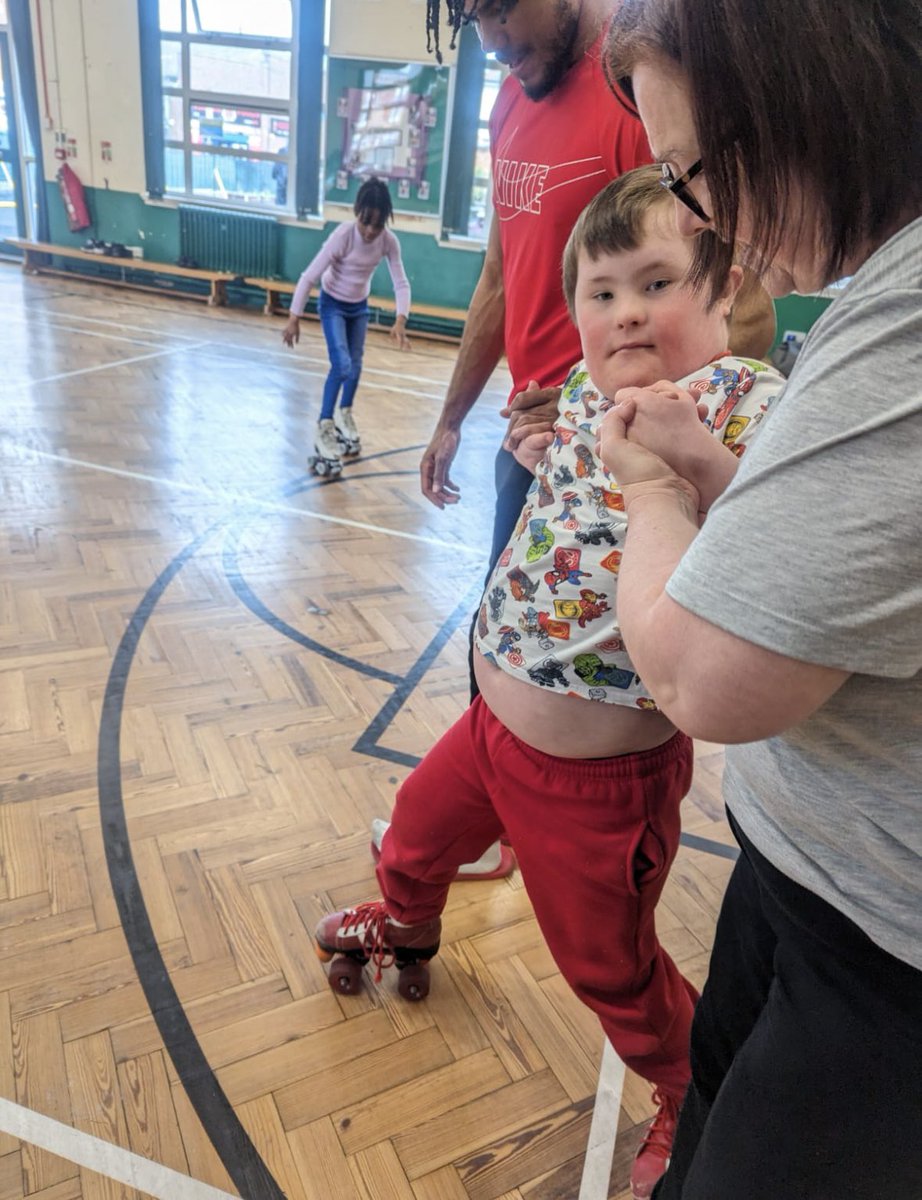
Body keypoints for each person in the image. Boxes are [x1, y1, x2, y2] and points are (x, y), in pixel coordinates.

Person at [315, 165, 785, 1200]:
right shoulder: (578, 391)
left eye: (654, 283)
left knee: (607, 968)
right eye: (599, 291)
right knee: (413, 832)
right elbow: (559, 486)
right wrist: (538, 443)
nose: (622, 313)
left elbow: (777, 532)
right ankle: (406, 916)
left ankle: (679, 1084)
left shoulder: (743, 399)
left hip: (597, 787)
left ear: (721, 292)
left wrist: (697, 462)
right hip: (491, 729)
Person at [595, 3, 922, 1197]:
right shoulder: (876, 290)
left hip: (883, 959)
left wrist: (648, 494)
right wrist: (710, 473)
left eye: (696, 173)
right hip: (809, 881)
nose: (699, 214)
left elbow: (703, 676)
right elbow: (844, 579)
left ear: (809, 92)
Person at [282, 177, 411, 475]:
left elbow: (400, 281)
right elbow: (309, 276)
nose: (369, 230)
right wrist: (294, 317)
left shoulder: (389, 242)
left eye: (377, 225)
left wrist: (400, 319)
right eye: (366, 221)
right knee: (341, 363)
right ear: (357, 212)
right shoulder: (343, 236)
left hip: (358, 307)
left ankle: (344, 414)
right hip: (332, 305)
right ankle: (324, 426)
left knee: (355, 364)